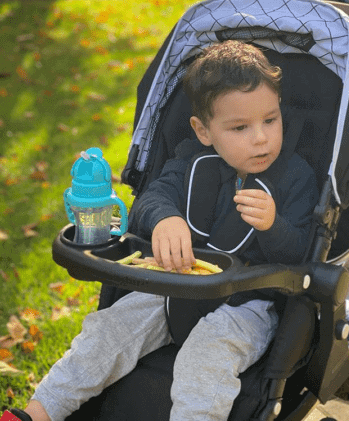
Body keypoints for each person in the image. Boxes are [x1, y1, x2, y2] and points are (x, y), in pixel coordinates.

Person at [7, 40, 319, 421]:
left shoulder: (296, 178)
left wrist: (274, 227)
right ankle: (38, 412)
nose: (261, 138)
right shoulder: (190, 160)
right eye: (240, 127)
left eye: (270, 120)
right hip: (173, 285)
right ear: (204, 131)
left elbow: (301, 255)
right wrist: (165, 218)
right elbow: (150, 201)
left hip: (248, 303)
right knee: (108, 332)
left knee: (205, 359)